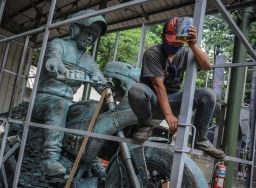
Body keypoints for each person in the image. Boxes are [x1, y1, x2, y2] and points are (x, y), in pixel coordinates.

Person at [128, 17, 225, 159]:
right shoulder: (152, 53)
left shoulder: (186, 52)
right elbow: (158, 86)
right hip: (152, 101)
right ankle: (145, 126)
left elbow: (207, 66)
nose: (174, 46)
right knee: (136, 90)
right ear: (163, 37)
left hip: (174, 100)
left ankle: (201, 139)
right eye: (171, 42)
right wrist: (168, 115)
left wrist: (193, 45)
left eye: (178, 42)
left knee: (208, 95)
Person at [32, 9, 107, 177]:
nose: (90, 38)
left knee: (93, 107)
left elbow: (99, 80)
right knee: (59, 104)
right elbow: (53, 56)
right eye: (88, 32)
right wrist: (54, 62)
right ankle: (50, 158)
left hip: (68, 103)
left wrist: (109, 88)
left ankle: (90, 156)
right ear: (76, 29)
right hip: (44, 99)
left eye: (94, 36)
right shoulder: (59, 44)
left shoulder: (89, 61)